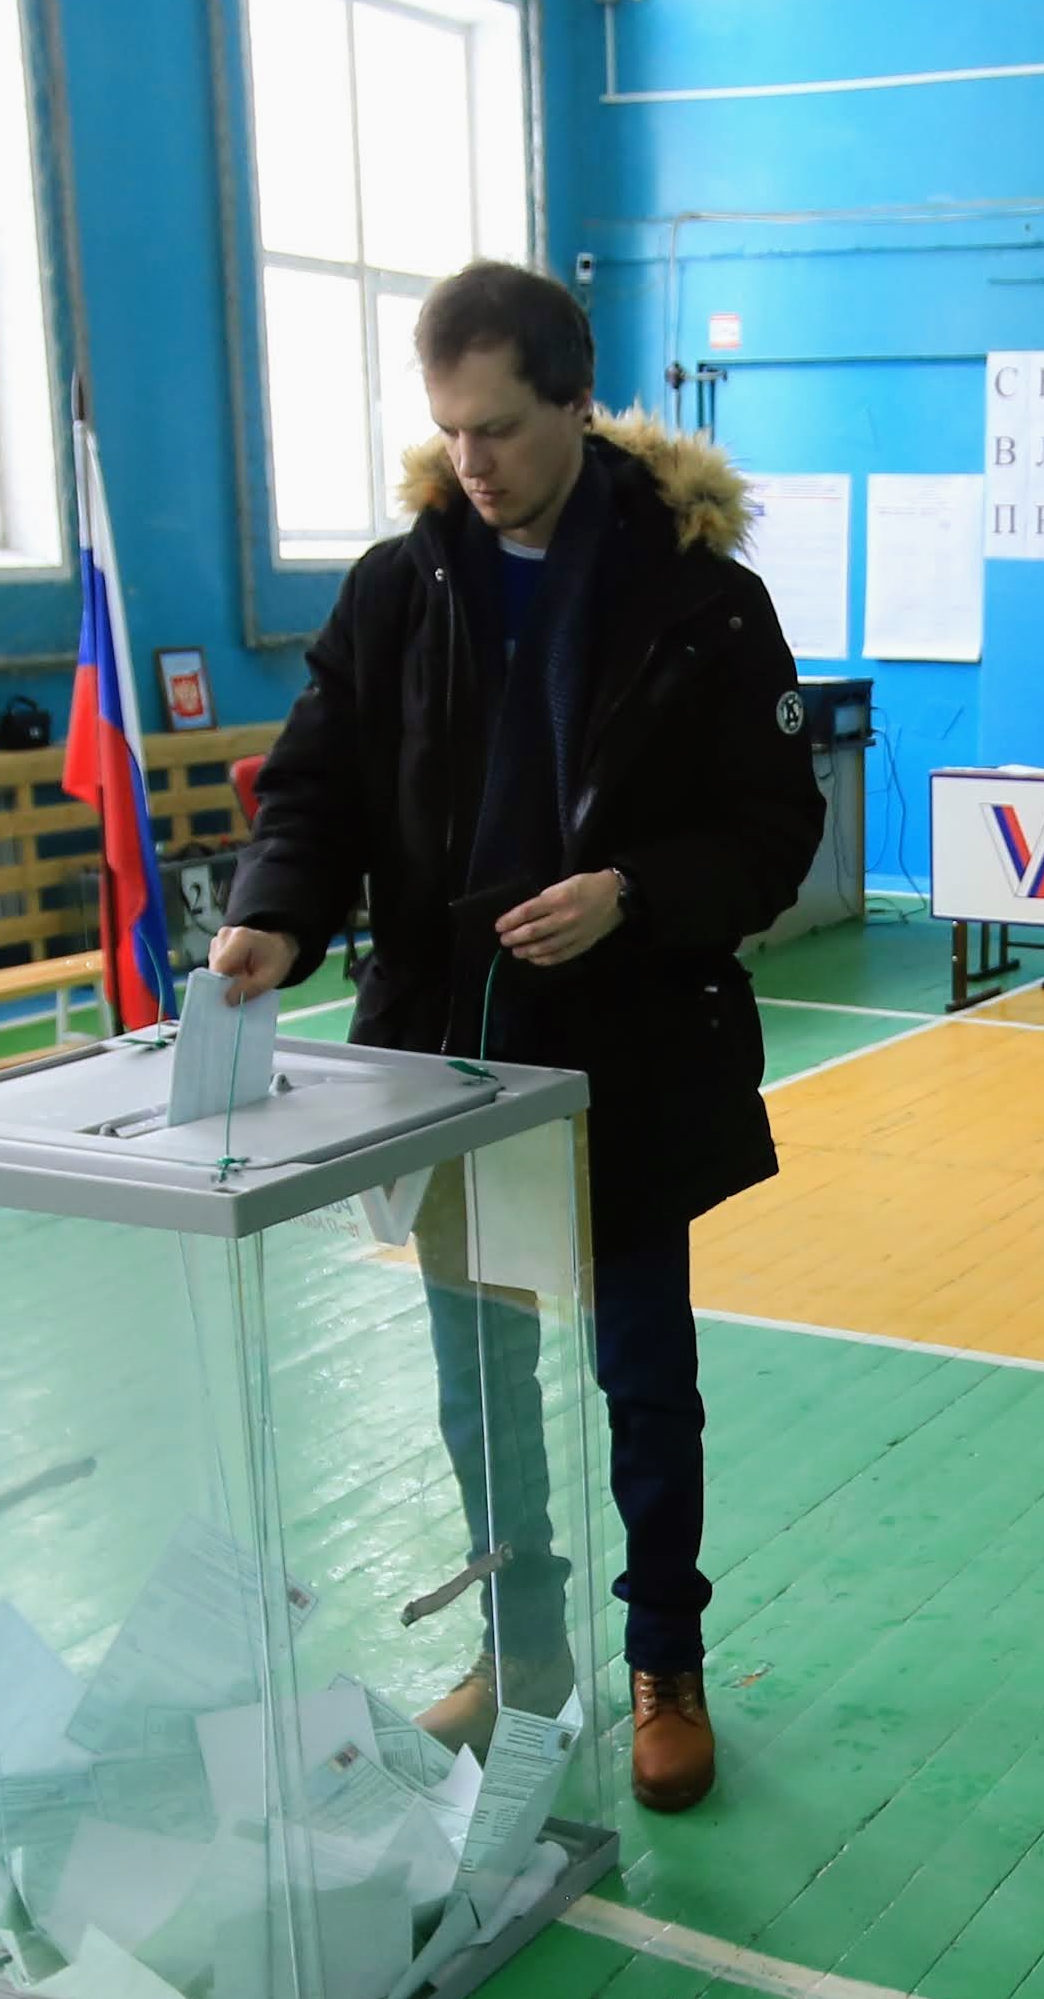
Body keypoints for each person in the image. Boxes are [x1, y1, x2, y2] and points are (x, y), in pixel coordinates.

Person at [214, 260, 825, 1815]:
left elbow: (772, 832)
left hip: (627, 1053)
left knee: (643, 1378)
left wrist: (633, 893)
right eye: (447, 430)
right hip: (447, 1054)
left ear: (574, 402)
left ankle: (664, 1659)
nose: (469, 462)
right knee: (478, 1381)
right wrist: (273, 914)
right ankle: (520, 1648)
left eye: (497, 427)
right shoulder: (399, 587)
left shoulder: (702, 601)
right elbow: (315, 785)